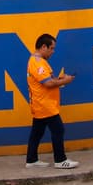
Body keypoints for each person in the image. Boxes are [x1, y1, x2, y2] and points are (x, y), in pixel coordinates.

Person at [25, 33, 79, 170]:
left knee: (37, 132)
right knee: (58, 130)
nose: (53, 52)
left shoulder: (37, 62)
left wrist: (60, 80)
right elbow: (48, 83)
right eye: (52, 48)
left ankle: (31, 160)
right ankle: (60, 160)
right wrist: (65, 81)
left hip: (41, 104)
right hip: (45, 105)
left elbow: (47, 81)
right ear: (44, 47)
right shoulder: (38, 64)